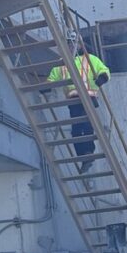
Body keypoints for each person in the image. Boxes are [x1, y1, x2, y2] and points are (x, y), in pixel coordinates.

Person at [47, 33, 111, 173]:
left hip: (88, 98)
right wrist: (47, 86)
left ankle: (88, 153)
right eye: (68, 44)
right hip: (74, 100)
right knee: (76, 130)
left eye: (72, 43)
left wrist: (102, 78)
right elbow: (53, 77)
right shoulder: (63, 62)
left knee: (86, 126)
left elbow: (104, 70)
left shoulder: (90, 59)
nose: (70, 46)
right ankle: (83, 157)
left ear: (80, 45)